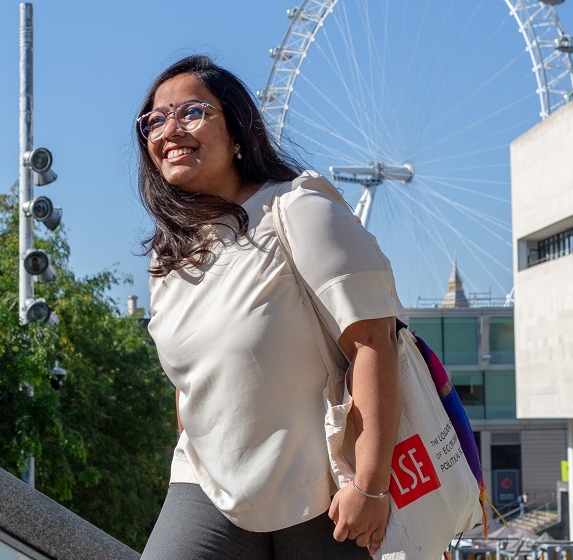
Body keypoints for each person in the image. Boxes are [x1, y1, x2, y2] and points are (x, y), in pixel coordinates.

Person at [135, 55, 403, 560]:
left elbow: (374, 339)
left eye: (192, 112)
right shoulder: (166, 256)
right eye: (154, 119)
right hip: (208, 484)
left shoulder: (297, 207)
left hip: (324, 485)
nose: (169, 128)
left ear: (238, 132)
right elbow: (188, 381)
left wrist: (370, 485)